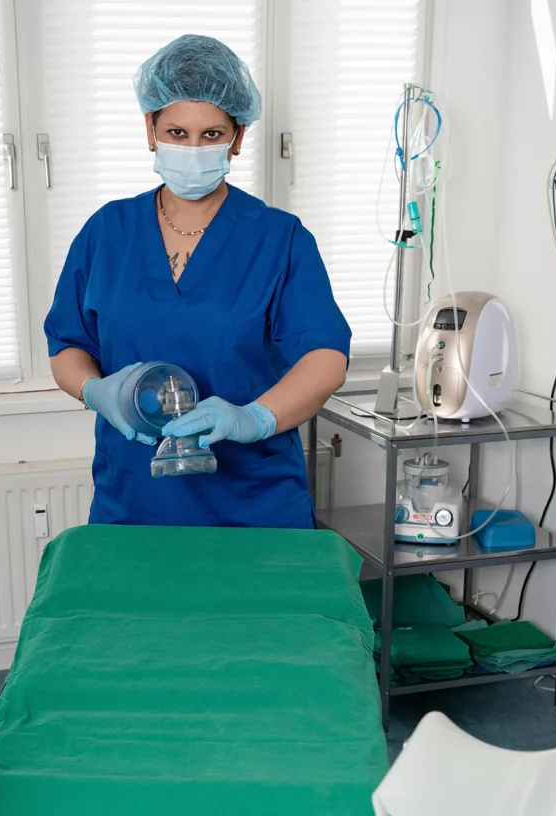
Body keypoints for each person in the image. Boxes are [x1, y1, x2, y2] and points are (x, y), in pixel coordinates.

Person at [46, 34, 350, 529]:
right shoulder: (107, 232)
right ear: (150, 129)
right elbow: (67, 346)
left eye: (211, 134)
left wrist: (254, 418)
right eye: (176, 132)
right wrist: (94, 390)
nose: (192, 148)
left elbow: (325, 359)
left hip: (254, 506)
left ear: (238, 137)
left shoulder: (279, 238)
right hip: (134, 502)